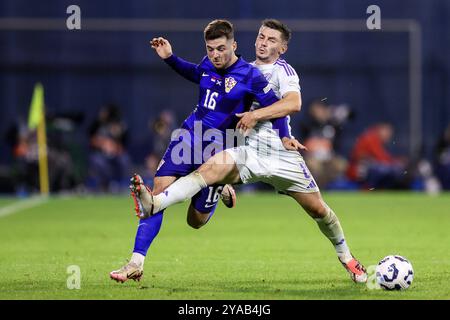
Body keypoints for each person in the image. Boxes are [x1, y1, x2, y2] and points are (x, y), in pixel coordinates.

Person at [129, 19, 367, 284]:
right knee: (209, 170)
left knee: (319, 211)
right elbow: (200, 74)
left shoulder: (283, 71)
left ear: (283, 48)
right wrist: (172, 59)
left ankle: (347, 258)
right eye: (262, 37)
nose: (264, 42)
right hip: (249, 150)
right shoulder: (237, 67)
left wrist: (266, 123)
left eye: (272, 39)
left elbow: (293, 103)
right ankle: (158, 202)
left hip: (279, 153)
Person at [110, 19, 298, 282]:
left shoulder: (250, 75)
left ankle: (219, 188)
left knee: (195, 221)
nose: (215, 55)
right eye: (210, 49)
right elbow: (195, 73)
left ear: (234, 44)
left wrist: (285, 137)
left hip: (220, 148)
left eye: (221, 48)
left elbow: (275, 108)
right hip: (189, 137)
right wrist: (170, 58)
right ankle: (135, 262)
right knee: (157, 192)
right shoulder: (208, 63)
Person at [298, 99, 349, 188]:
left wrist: (328, 119)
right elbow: (302, 142)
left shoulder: (332, 124)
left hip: (329, 156)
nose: (319, 112)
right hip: (312, 156)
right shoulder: (307, 124)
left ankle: (332, 187)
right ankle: (315, 188)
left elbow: (337, 143)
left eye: (321, 109)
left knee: (341, 164)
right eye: (316, 110)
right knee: (314, 166)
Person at [87, 104, 131, 192]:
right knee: (97, 161)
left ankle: (121, 185)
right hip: (101, 154)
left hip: (116, 154)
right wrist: (103, 143)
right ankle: (103, 185)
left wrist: (115, 146)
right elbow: (91, 140)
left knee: (124, 159)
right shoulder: (97, 124)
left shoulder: (120, 125)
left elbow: (124, 145)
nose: (103, 114)